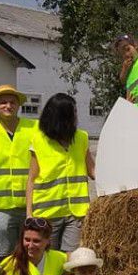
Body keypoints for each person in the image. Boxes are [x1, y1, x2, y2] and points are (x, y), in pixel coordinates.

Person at [26, 93, 95, 252]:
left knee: (71, 259)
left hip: (76, 213)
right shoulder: (38, 140)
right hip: (47, 213)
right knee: (48, 257)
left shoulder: (81, 138)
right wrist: (29, 213)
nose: (76, 117)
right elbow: (31, 179)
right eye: (73, 113)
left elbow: (92, 170)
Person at [0, 84, 37, 262]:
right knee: (4, 253)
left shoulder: (34, 128)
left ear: (18, 105)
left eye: (12, 102)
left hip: (31, 202)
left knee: (32, 250)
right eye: (3, 102)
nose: (8, 106)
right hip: (1, 206)